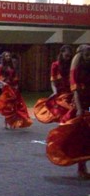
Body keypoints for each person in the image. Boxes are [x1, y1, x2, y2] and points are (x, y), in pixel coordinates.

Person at [46, 44, 90, 179]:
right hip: (79, 105)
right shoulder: (75, 70)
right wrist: (79, 109)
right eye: (87, 54)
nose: (89, 57)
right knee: (81, 137)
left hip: (86, 102)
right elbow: (75, 90)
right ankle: (81, 168)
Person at [33, 45, 74, 124]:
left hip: (71, 92)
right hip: (61, 93)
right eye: (66, 55)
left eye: (69, 56)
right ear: (61, 53)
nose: (68, 58)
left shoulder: (72, 65)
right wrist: (54, 92)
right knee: (61, 112)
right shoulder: (55, 65)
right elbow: (53, 81)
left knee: (72, 111)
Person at [0, 51, 32, 129]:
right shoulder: (1, 68)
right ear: (3, 58)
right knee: (8, 105)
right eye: (6, 56)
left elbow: (15, 77)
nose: (8, 57)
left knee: (15, 105)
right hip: (7, 88)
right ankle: (6, 122)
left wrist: (16, 85)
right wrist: (3, 83)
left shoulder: (12, 67)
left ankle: (13, 122)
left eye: (9, 56)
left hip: (14, 87)